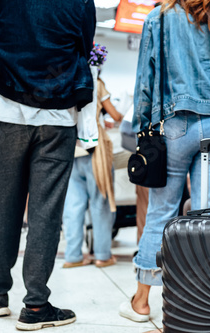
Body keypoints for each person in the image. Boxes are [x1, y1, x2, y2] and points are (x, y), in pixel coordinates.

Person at [119, 0, 210, 325]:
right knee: (208, 213)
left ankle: (142, 301)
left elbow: (145, 78)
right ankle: (203, 302)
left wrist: (141, 125)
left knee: (162, 211)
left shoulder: (159, 18)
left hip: (174, 122)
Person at [0, 1, 96, 331]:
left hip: (10, 109)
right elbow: (84, 46)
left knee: (3, 206)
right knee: (45, 212)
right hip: (59, 113)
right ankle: (35, 305)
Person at [62, 71, 123, 269]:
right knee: (100, 201)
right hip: (95, 151)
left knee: (73, 205)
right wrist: (116, 116)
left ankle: (73, 256)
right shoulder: (95, 82)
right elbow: (114, 114)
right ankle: (103, 255)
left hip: (71, 148)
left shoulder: (65, 79)